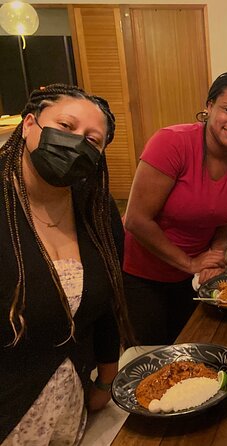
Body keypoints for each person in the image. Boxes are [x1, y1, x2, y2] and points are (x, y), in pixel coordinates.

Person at [0, 84, 133, 443]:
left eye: (93, 140)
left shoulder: (96, 210)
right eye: (66, 126)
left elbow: (106, 304)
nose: (76, 142)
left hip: (70, 411)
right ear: (29, 124)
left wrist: (106, 381)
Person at [123, 72, 227, 345]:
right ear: (209, 107)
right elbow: (137, 220)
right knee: (153, 357)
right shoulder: (171, 143)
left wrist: (216, 255)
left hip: (197, 278)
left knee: (195, 347)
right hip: (146, 275)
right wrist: (190, 262)